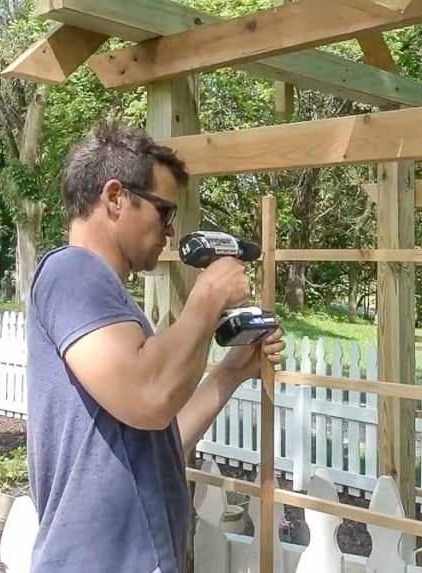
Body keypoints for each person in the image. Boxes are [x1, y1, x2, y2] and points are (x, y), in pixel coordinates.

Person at [24, 121, 284, 573]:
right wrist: (208, 298)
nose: (169, 231)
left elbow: (159, 439)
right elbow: (149, 399)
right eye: (164, 212)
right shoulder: (73, 274)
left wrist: (232, 370)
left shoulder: (112, 303)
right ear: (114, 197)